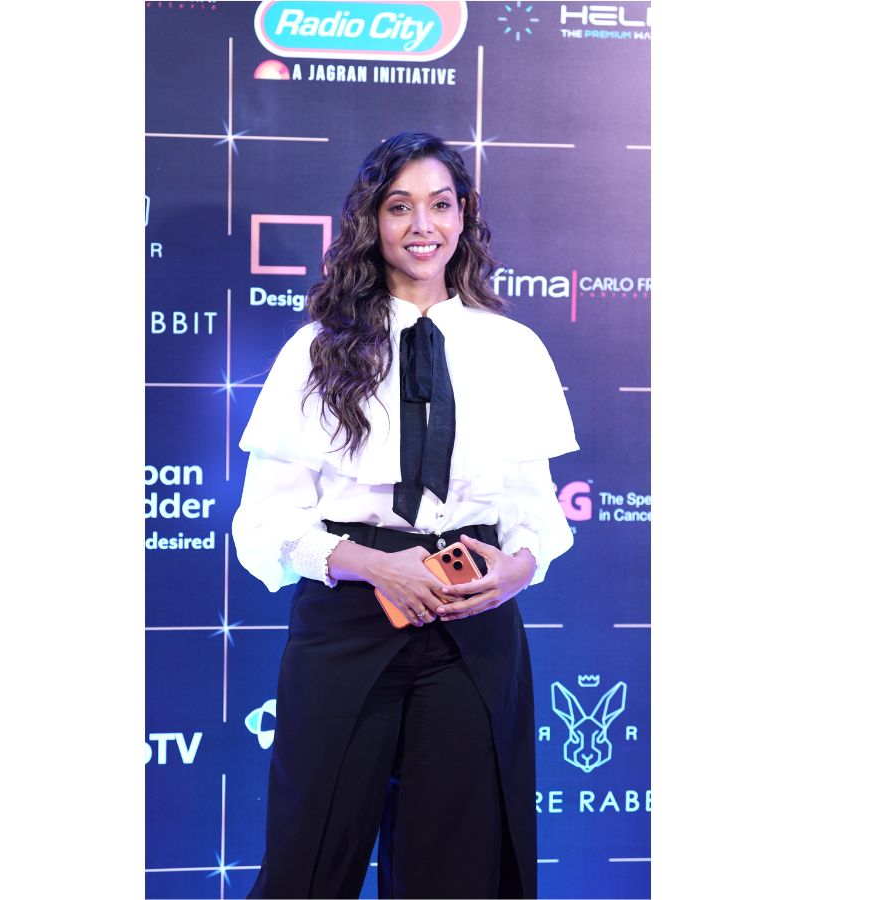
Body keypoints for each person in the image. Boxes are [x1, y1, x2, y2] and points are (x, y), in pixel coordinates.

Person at [232, 131, 578, 899]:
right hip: (349, 622)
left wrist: (515, 573)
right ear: (372, 220)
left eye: (440, 205)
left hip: (472, 628)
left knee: (458, 872)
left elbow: (535, 514)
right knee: (307, 864)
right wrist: (375, 566)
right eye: (400, 207)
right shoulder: (317, 350)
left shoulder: (513, 349)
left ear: (464, 216)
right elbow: (263, 522)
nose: (423, 225)